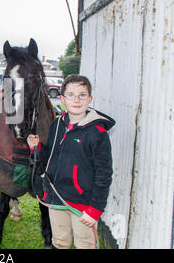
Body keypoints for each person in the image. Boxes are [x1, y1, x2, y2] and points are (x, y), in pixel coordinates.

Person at [27, 74, 115, 249]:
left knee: (84, 245)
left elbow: (104, 175)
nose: (76, 99)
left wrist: (95, 210)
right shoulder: (57, 125)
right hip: (56, 197)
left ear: (90, 99)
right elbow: (51, 158)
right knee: (59, 243)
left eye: (82, 95)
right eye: (71, 95)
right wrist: (36, 148)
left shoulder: (97, 133)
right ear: (62, 99)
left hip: (82, 205)